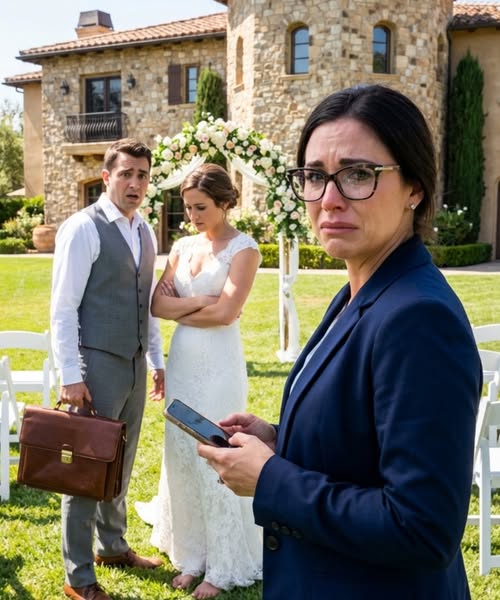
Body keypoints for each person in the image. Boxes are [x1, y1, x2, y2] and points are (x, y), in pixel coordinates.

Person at [198, 84, 483, 599]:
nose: (329, 199)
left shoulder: (418, 317)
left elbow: (421, 527)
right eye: (314, 176)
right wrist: (282, 441)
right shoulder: (360, 291)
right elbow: (366, 441)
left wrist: (271, 480)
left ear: (415, 188)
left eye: (358, 174)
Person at [138, 163, 262, 599]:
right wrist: (203, 302)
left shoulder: (245, 249)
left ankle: (222, 564)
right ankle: (191, 554)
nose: (192, 216)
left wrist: (189, 307)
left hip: (219, 364)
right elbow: (157, 306)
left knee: (214, 450)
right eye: (188, 208)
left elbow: (227, 314)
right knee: (181, 453)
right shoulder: (182, 245)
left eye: (201, 207)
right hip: (184, 360)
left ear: (224, 202)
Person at [50, 138, 165, 600]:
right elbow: (63, 308)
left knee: (121, 460)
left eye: (142, 175)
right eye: (126, 174)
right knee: (85, 470)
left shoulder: (146, 231)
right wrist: (71, 375)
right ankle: (78, 577)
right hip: (95, 363)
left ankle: (112, 547)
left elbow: (147, 304)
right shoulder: (83, 228)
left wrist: (155, 360)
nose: (135, 183)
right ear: (106, 177)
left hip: (134, 363)